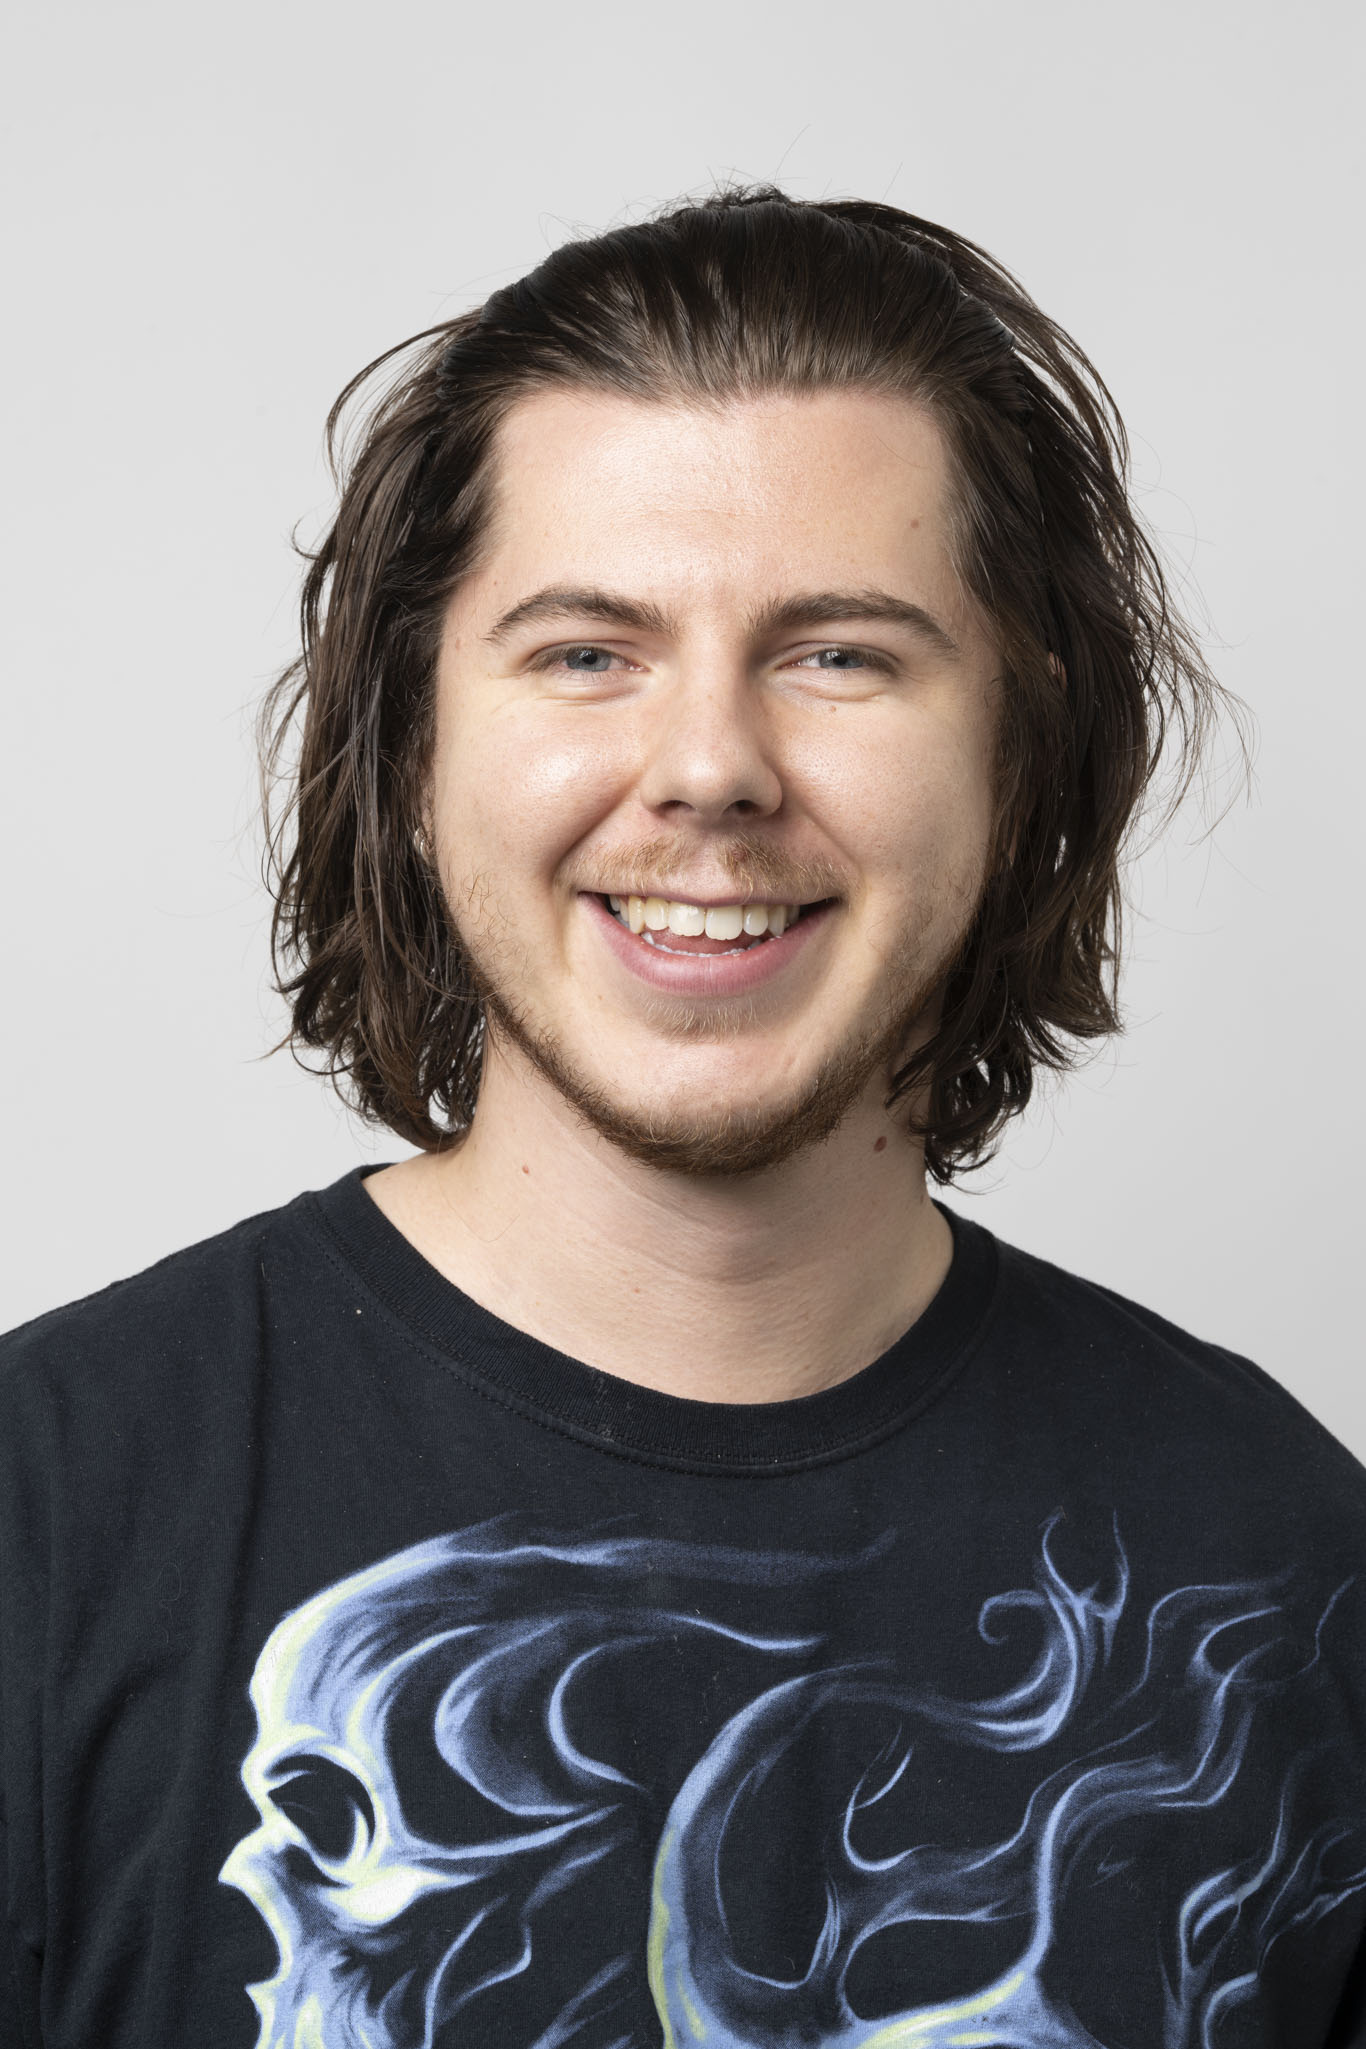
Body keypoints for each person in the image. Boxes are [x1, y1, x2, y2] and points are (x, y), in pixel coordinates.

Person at [2, 185, 1363, 2048]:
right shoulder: (48, 1520)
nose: (710, 767)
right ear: (413, 742)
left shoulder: (1286, 1568)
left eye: (840, 653)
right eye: (586, 651)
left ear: (1018, 747)